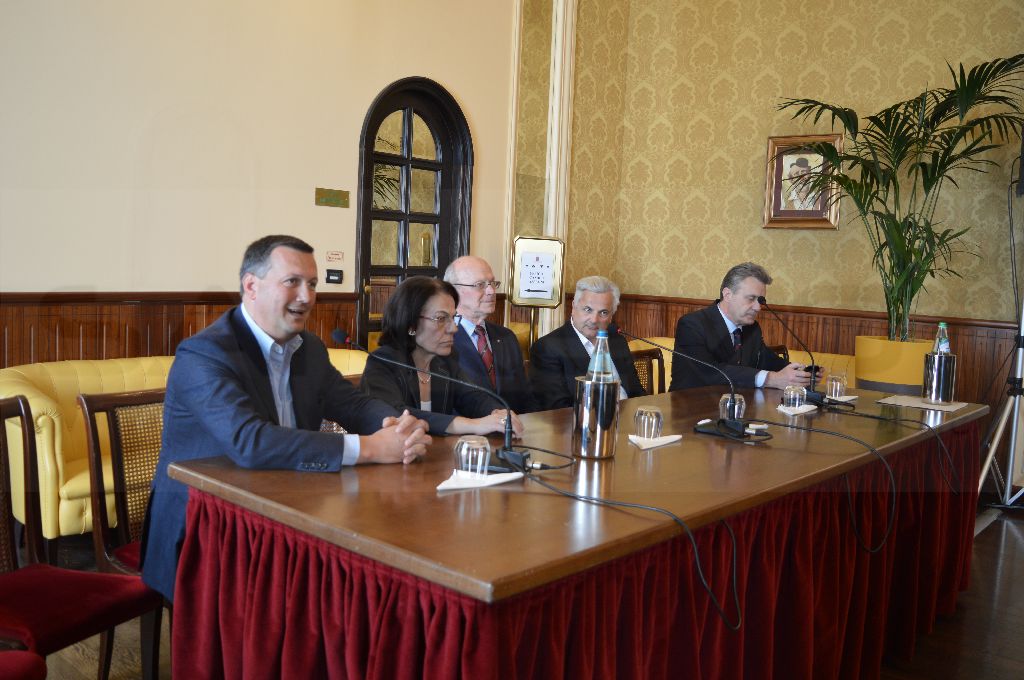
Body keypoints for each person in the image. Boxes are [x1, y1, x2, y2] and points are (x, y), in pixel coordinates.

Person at [140, 235, 431, 602]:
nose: (307, 297)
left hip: (290, 509)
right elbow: (250, 442)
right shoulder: (205, 353)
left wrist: (395, 426)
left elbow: (352, 404)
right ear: (251, 286)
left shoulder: (309, 348)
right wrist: (370, 448)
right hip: (208, 526)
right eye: (292, 281)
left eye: (312, 284)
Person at [360, 275, 524, 436]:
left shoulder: (445, 360)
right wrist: (472, 425)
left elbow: (474, 398)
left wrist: (498, 413)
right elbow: (395, 414)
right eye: (441, 318)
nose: (454, 328)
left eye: (453, 318)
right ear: (411, 324)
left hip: (436, 451)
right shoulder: (382, 362)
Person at [669, 262, 813, 390]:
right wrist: (771, 379)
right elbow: (710, 372)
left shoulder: (752, 328)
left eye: (760, 301)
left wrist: (801, 374)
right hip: (691, 405)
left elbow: (766, 360)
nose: (758, 307)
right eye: (751, 298)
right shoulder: (692, 325)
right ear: (728, 295)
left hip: (735, 406)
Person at [529, 275, 644, 410]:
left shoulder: (617, 341)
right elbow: (558, 407)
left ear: (611, 316)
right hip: (584, 421)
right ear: (574, 307)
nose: (594, 320)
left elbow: (637, 391)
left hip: (628, 417)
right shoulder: (548, 347)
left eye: (603, 312)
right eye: (588, 309)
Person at [443, 255, 538, 413]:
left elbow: (525, 397)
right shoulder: (442, 338)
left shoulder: (507, 337)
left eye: (493, 283)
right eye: (480, 285)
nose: (491, 291)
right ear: (453, 291)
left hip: (512, 426)